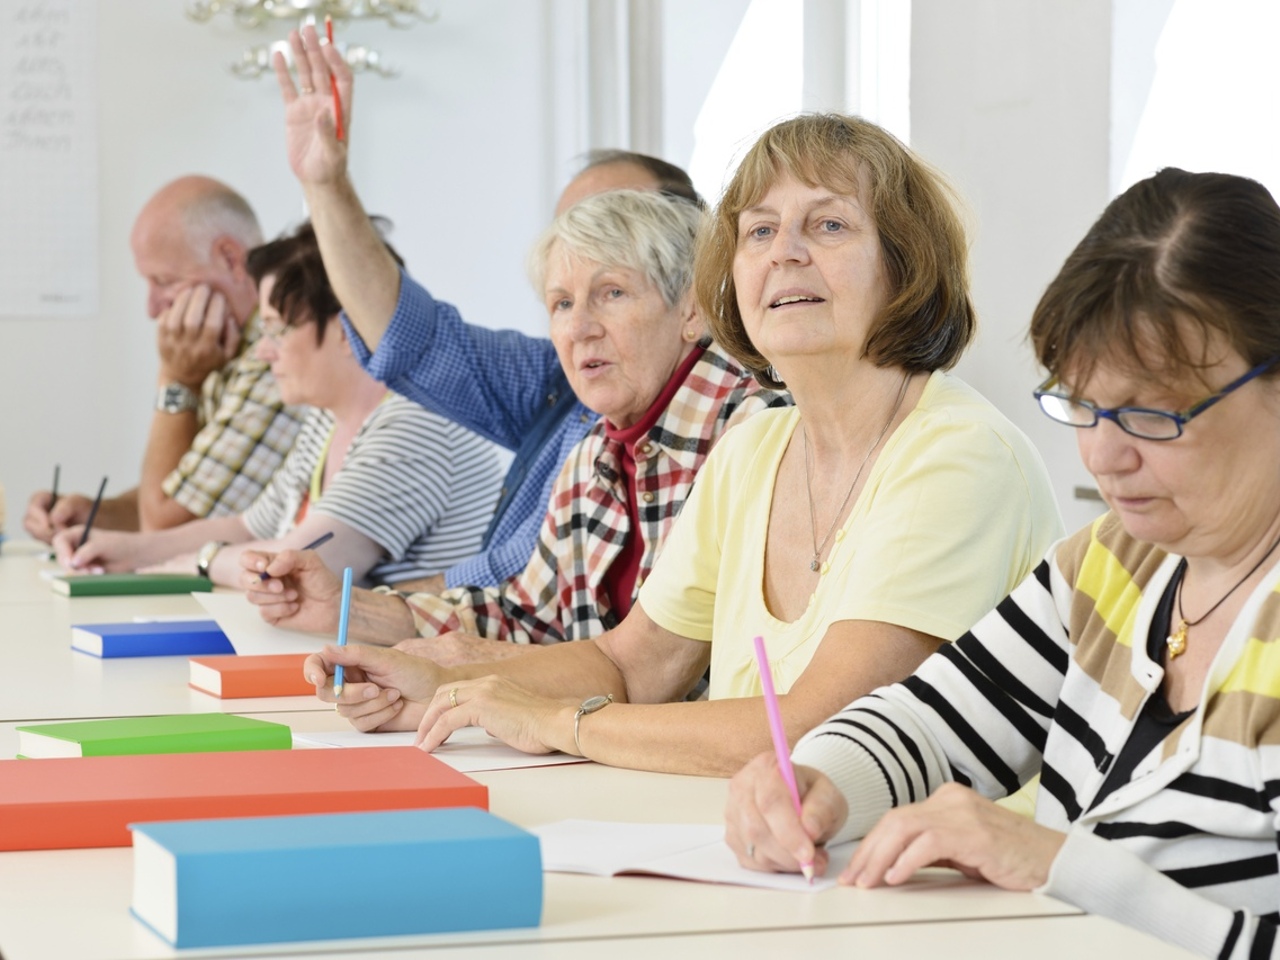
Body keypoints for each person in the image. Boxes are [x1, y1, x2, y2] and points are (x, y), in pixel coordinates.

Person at [296, 114, 1063, 778]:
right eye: (759, 230)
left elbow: (820, 732)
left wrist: (559, 722)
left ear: (907, 267)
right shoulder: (756, 446)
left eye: (828, 225)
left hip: (937, 891)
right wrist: (436, 686)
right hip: (757, 843)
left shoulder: (957, 453)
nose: (784, 253)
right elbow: (633, 663)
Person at [723, 168, 1280, 959]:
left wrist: (1061, 867)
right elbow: (934, 723)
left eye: (1153, 415)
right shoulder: (1115, 568)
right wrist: (816, 781)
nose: (1104, 456)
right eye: (1084, 404)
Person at [241, 188, 787, 662]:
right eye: (561, 303)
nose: (579, 328)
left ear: (692, 311)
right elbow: (525, 619)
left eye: (612, 293)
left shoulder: (757, 433)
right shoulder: (594, 452)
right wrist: (345, 608)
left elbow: (663, 676)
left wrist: (480, 684)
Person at [272, 24, 701, 593]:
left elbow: (543, 604)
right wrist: (324, 185)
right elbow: (413, 340)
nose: (580, 321)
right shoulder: (559, 377)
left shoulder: (732, 416)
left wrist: (388, 608)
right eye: (567, 243)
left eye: (616, 232)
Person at [53, 222, 501, 589]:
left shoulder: (414, 423)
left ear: (349, 327)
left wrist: (203, 560)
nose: (264, 351)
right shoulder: (328, 418)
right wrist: (127, 550)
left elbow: (294, 569)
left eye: (277, 330)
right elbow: (250, 528)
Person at [23, 176, 304, 541]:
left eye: (165, 281)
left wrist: (176, 379)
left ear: (231, 259)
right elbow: (189, 493)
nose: (152, 308)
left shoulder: (277, 356)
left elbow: (166, 530)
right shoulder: (227, 350)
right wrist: (94, 514)